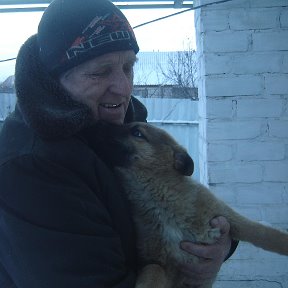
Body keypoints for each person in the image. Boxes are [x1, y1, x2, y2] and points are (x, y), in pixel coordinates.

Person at [0, 0, 237, 287]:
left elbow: (181, 207)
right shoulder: (29, 168)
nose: (124, 87)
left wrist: (216, 247)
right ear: (55, 80)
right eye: (100, 72)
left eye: (128, 67)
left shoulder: (119, 134)